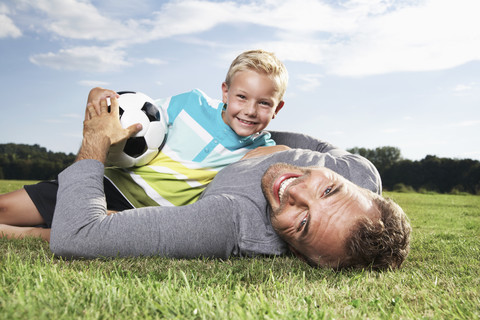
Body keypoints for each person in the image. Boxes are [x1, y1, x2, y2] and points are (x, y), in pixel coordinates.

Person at [49, 96, 411, 270]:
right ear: (354, 184)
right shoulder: (361, 172)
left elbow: (78, 234)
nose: (295, 189)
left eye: (303, 224)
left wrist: (95, 141)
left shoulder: (229, 223)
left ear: (298, 253)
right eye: (329, 190)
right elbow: (318, 147)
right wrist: (248, 138)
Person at [0, 49, 288, 241]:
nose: (250, 110)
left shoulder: (260, 149)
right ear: (225, 92)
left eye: (264, 103)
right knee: (4, 208)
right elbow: (132, 111)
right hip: (105, 184)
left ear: (277, 108)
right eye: (241, 97)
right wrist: (98, 97)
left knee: (82, 230)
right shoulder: (190, 104)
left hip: (140, 215)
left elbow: (286, 159)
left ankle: (28, 234)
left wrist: (281, 151)